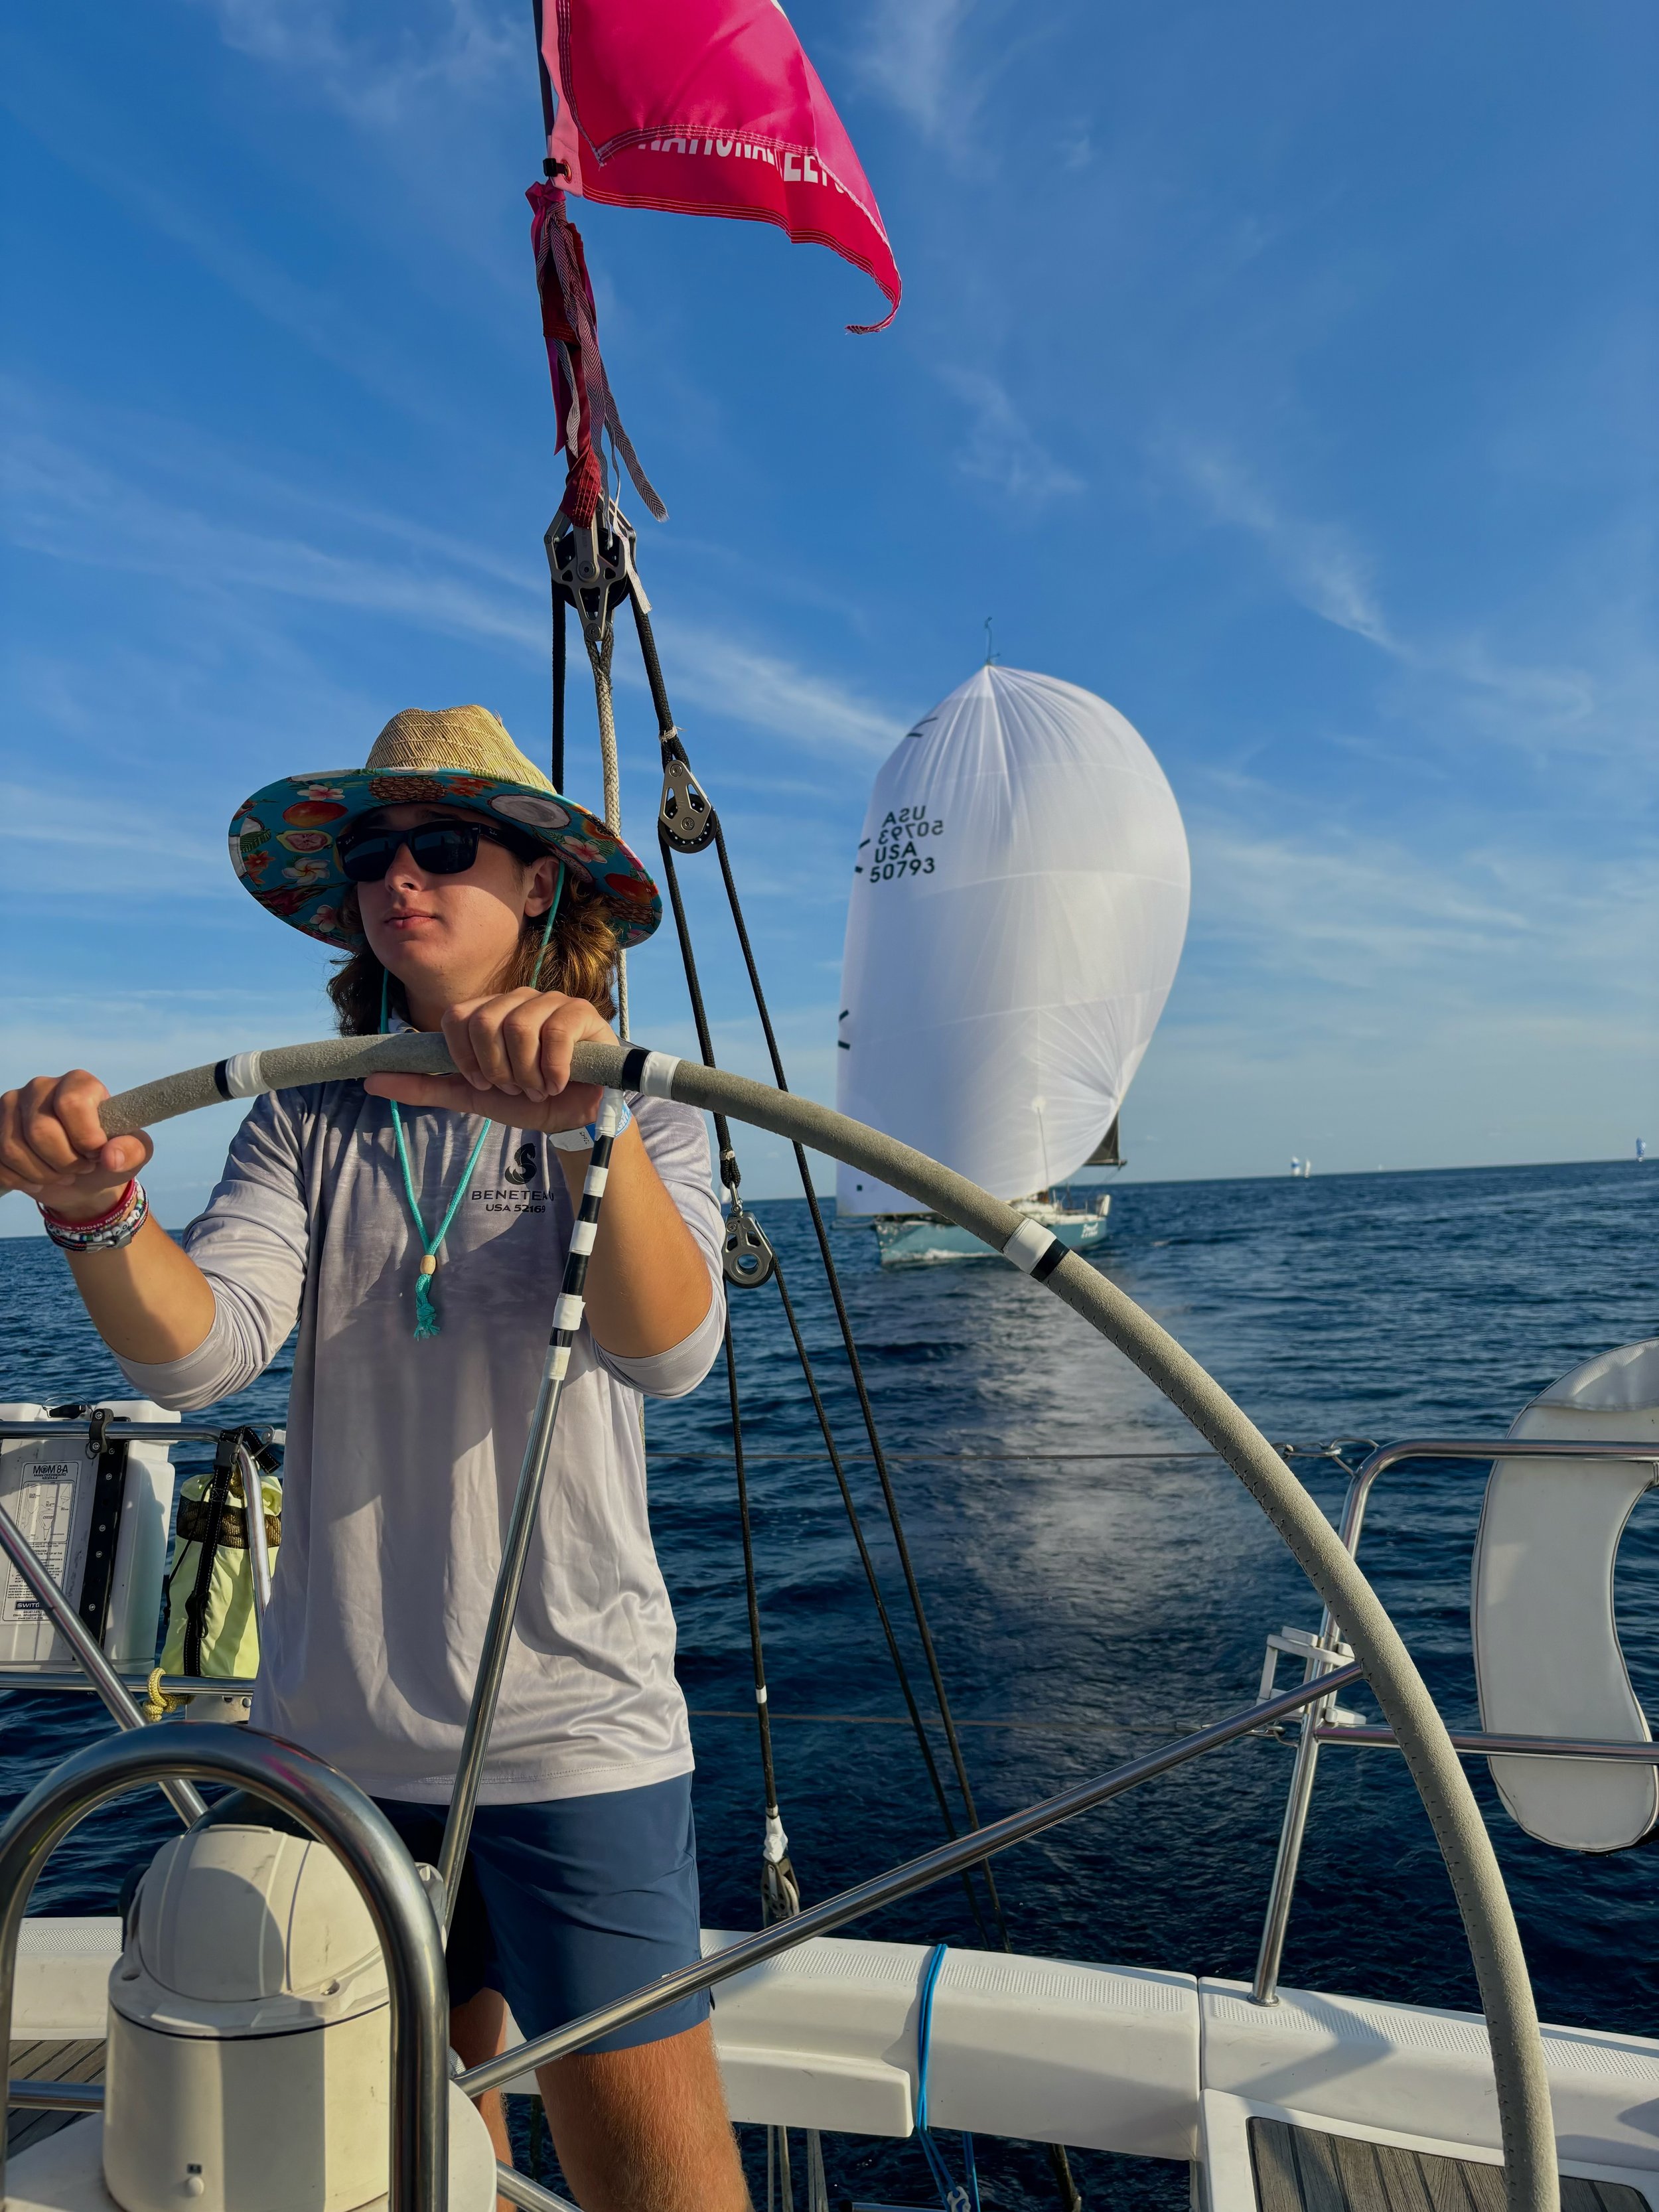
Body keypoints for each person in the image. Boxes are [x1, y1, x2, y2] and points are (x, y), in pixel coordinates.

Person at [0, 707, 751, 2212]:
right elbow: (201, 1347)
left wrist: (588, 1130)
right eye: (370, 852)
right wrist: (91, 1211)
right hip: (322, 1747)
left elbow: (666, 1347)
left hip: (570, 1741)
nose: (397, 875)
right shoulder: (301, 1117)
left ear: (537, 882)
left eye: (442, 844)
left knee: (657, 2182)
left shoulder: (638, 1100)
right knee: (386, 2153)